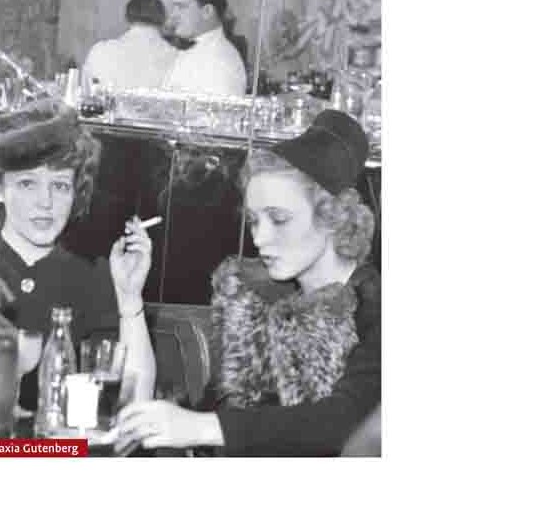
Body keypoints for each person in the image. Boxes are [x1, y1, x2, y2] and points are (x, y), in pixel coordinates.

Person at [114, 110, 380, 457]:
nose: (259, 238)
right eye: (254, 221)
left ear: (333, 217)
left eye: (279, 219)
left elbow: (344, 425)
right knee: (54, 451)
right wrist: (130, 298)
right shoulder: (257, 301)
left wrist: (203, 427)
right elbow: (210, 418)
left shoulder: (378, 311)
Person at [0, 99, 156, 410]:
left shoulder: (96, 276)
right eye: (28, 183)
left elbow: (136, 403)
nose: (45, 202)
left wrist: (129, 298)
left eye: (59, 186)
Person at [163, 0, 247, 96]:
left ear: (207, 11)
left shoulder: (221, 62)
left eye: (181, 7)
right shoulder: (193, 49)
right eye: (175, 7)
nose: (173, 15)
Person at [82, 0, 177, 92]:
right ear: (163, 19)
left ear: (127, 17)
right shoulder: (176, 56)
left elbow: (85, 91)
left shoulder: (100, 51)